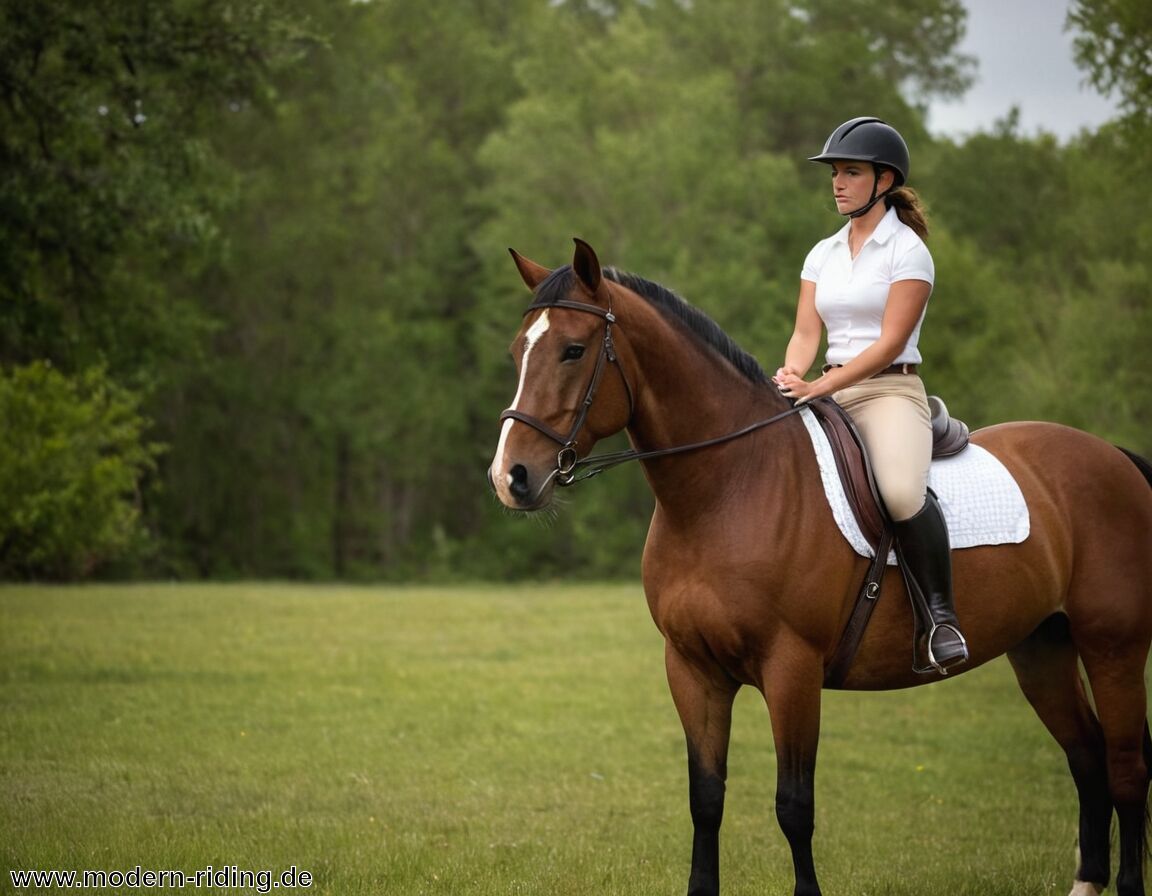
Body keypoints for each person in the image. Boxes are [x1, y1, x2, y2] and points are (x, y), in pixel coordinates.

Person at [772, 116, 968, 675]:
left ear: (884, 181)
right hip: (826, 385)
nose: (837, 183)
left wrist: (819, 387)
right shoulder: (823, 253)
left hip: (889, 390)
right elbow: (807, 333)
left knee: (903, 492)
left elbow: (888, 345)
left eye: (850, 173)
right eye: (835, 173)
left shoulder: (908, 253)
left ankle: (941, 619)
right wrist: (791, 375)